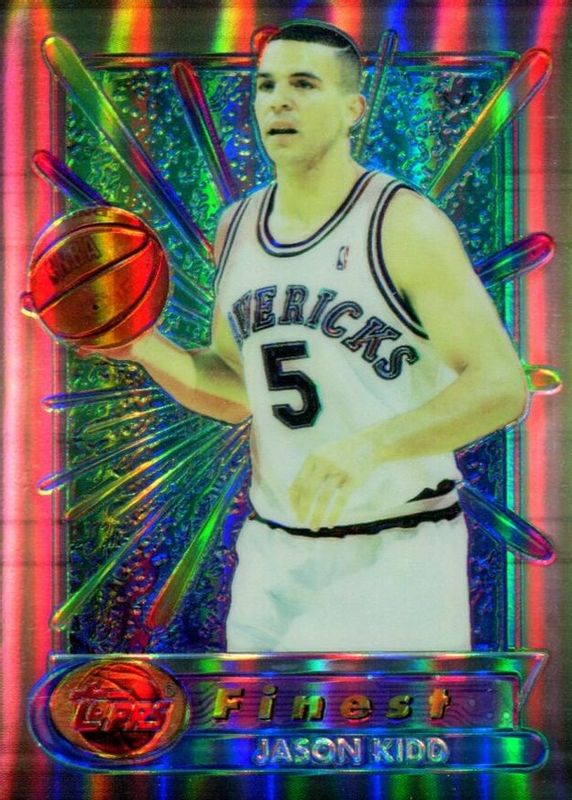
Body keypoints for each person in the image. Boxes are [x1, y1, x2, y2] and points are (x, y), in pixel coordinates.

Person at [92, 20, 528, 652]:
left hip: (397, 554)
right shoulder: (237, 225)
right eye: (266, 86)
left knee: (395, 723)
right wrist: (142, 347)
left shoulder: (402, 222)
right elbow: (240, 389)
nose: (279, 102)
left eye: (303, 84)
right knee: (257, 720)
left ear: (353, 109)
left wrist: (370, 447)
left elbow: (501, 387)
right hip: (273, 555)